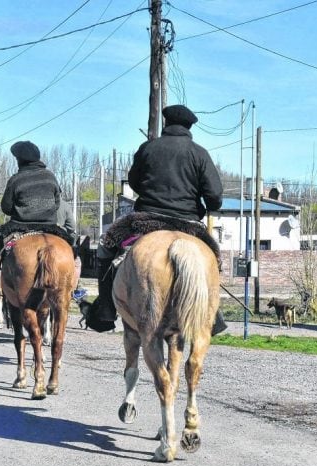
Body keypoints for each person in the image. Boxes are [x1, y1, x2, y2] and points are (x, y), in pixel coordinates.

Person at [87, 104, 225, 334]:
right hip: (187, 223)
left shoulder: (148, 148)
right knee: (214, 259)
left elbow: (133, 182)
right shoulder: (200, 153)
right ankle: (213, 314)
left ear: (166, 123)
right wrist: (201, 204)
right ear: (190, 127)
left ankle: (105, 309)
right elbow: (215, 197)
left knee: (106, 246)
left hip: (146, 219)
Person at [0, 140, 61, 292]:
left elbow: (6, 207)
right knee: (71, 246)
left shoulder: (16, 179)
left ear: (20, 160)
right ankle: (72, 286)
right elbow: (57, 203)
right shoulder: (50, 176)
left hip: (20, 224)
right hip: (50, 226)